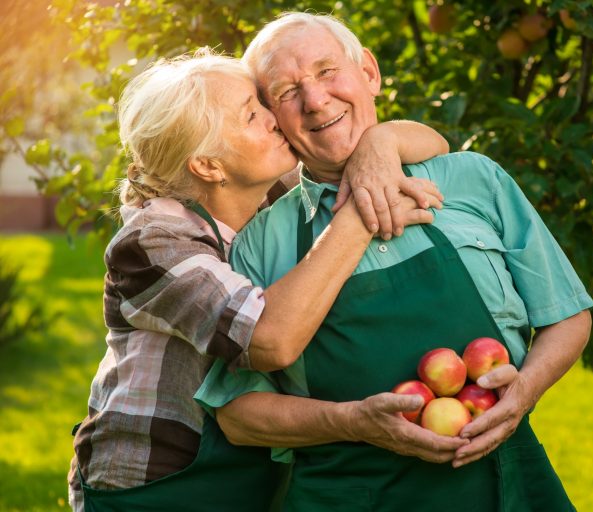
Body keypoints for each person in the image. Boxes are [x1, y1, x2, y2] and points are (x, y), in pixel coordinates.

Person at [197, 12, 593, 511]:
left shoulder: (472, 179)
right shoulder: (259, 242)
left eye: (326, 71)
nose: (316, 100)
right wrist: (350, 422)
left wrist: (525, 392)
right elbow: (237, 415)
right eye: (286, 91)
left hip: (502, 484)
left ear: (369, 72)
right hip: (346, 494)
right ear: (274, 117)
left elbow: (567, 315)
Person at [67, 48, 457, 512]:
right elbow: (270, 340)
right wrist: (360, 212)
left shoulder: (272, 192)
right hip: (154, 485)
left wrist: (381, 144)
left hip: (252, 470)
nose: (275, 119)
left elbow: (436, 143)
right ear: (209, 166)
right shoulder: (151, 244)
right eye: (252, 115)